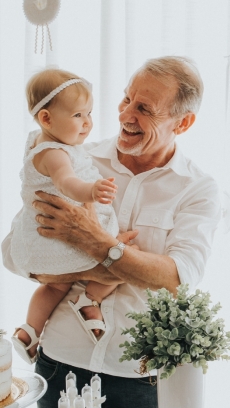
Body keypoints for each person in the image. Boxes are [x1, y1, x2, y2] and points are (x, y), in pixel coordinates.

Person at [2, 56, 221, 408]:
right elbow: (16, 253)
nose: (125, 115)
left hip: (135, 378)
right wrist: (118, 265)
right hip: (58, 364)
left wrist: (97, 243)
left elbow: (176, 280)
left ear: (183, 123)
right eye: (126, 99)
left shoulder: (197, 190)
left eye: (145, 109)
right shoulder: (73, 160)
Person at [10, 69, 121, 365]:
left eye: (89, 113)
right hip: (58, 238)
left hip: (37, 238)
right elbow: (65, 183)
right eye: (78, 115)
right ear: (46, 119)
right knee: (122, 259)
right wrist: (92, 191)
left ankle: (29, 330)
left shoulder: (39, 140)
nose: (87, 123)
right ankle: (89, 300)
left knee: (54, 286)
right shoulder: (55, 154)